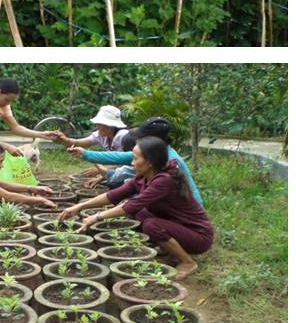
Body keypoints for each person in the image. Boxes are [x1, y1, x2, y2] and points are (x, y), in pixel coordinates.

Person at [60, 136, 213, 279]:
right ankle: (169, 249)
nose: (132, 162)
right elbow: (113, 195)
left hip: (198, 236)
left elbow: (131, 205)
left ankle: (187, 262)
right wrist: (80, 206)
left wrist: (96, 217)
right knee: (140, 214)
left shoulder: (164, 180)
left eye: (135, 158)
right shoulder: (144, 177)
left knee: (151, 225)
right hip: (179, 226)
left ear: (150, 162)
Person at [67, 116, 203, 206]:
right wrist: (85, 153)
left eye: (141, 138)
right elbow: (117, 157)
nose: (138, 141)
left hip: (184, 206)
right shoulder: (154, 152)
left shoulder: (170, 161)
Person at [56, 105, 129, 150]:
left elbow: (125, 162)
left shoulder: (122, 136)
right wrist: (64, 139)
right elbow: (78, 143)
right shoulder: (101, 135)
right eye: (99, 123)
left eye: (103, 124)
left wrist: (103, 170)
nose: (99, 126)